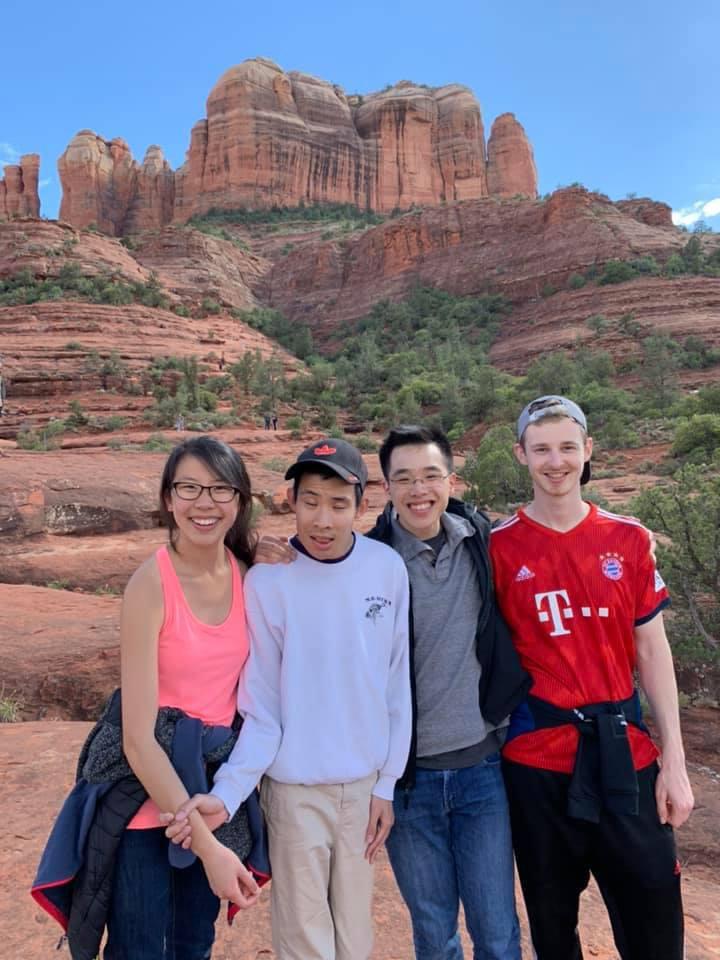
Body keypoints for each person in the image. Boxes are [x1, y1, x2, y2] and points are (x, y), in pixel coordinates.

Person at [168, 437, 412, 960]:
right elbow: (263, 709)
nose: (323, 520)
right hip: (295, 792)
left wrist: (386, 784)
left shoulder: (386, 569)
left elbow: (395, 686)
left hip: (363, 791)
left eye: (338, 504)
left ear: (362, 505)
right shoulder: (268, 581)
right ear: (291, 500)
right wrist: (229, 792)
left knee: (355, 938)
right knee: (306, 943)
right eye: (310, 501)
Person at [33, 436, 261, 959]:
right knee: (139, 950)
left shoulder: (246, 574)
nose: (205, 503)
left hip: (208, 795)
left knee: (192, 946)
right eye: (189, 488)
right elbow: (138, 738)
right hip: (144, 808)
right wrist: (209, 850)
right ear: (167, 499)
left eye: (220, 489)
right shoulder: (150, 585)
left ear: (240, 500)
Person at [490, 395, 695, 960]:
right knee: (555, 932)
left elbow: (652, 652)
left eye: (566, 448)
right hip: (536, 763)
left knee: (655, 918)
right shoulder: (498, 548)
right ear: (521, 455)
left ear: (587, 452)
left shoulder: (628, 539)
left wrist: (674, 765)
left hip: (624, 756)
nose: (555, 462)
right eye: (541, 449)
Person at [366, 425, 529, 960]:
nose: (419, 490)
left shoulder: (480, 541)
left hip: (483, 772)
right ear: (386, 487)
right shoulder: (367, 562)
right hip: (407, 784)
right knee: (434, 934)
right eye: (404, 478)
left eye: (431, 476)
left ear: (450, 480)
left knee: (498, 930)